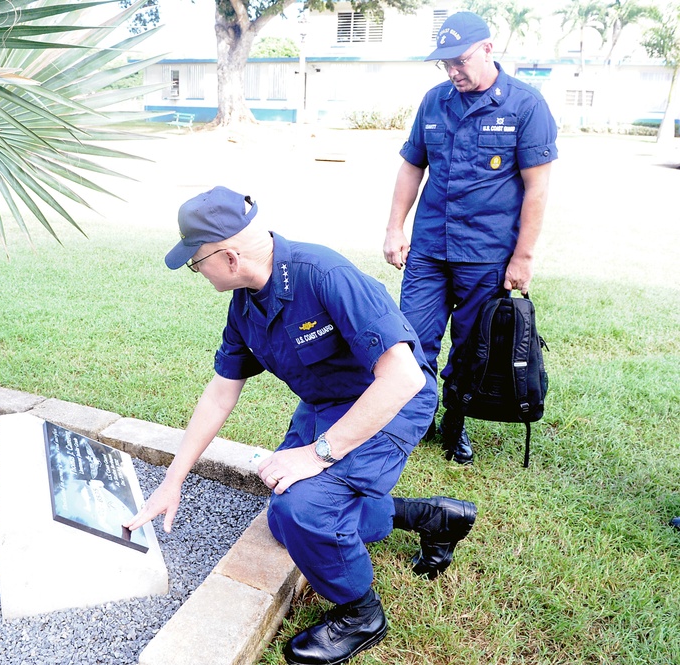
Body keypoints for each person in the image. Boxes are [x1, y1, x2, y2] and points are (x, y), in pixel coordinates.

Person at [125, 186, 477, 665]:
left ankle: (360, 614)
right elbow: (221, 392)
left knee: (304, 510)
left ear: (227, 256)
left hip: (392, 401)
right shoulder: (246, 303)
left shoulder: (324, 275)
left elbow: (402, 376)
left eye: (195, 262)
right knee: (283, 518)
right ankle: (430, 517)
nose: (196, 271)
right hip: (328, 404)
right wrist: (173, 480)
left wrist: (318, 454)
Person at [382, 11, 558, 465]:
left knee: (471, 347)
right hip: (429, 248)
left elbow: (537, 188)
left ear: (487, 50)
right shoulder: (434, 100)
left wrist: (523, 257)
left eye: (460, 61)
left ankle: (455, 424)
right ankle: (413, 420)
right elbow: (412, 166)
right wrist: (395, 228)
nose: (453, 72)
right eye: (445, 65)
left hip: (486, 254)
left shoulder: (525, 105)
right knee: (411, 338)